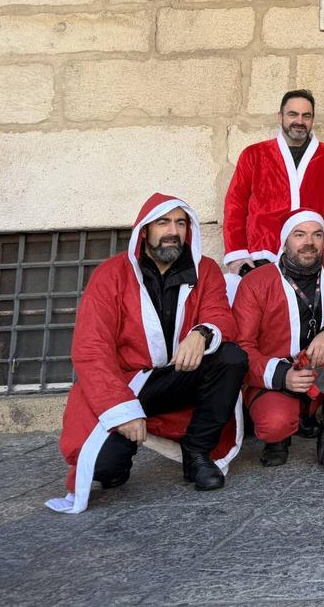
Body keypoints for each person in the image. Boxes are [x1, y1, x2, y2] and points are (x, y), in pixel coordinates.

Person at [48, 194, 246, 514]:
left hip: (179, 376)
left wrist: (202, 332)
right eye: (163, 222)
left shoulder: (205, 270)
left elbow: (222, 317)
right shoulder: (110, 275)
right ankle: (121, 452)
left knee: (231, 357)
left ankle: (196, 455)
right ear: (144, 230)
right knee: (103, 468)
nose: (173, 231)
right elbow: (91, 349)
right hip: (128, 384)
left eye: (180, 223)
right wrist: (121, 408)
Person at [233, 210, 324, 472]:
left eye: (317, 235)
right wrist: (282, 375)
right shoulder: (255, 282)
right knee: (274, 425)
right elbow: (242, 347)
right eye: (300, 235)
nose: (309, 242)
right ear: (285, 241)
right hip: (276, 375)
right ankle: (278, 440)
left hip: (319, 370)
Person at [222, 89, 324, 274]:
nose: (299, 121)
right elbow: (235, 205)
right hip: (260, 258)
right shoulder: (254, 155)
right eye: (293, 114)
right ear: (280, 116)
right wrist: (237, 255)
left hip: (312, 258)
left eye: (306, 116)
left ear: (312, 119)